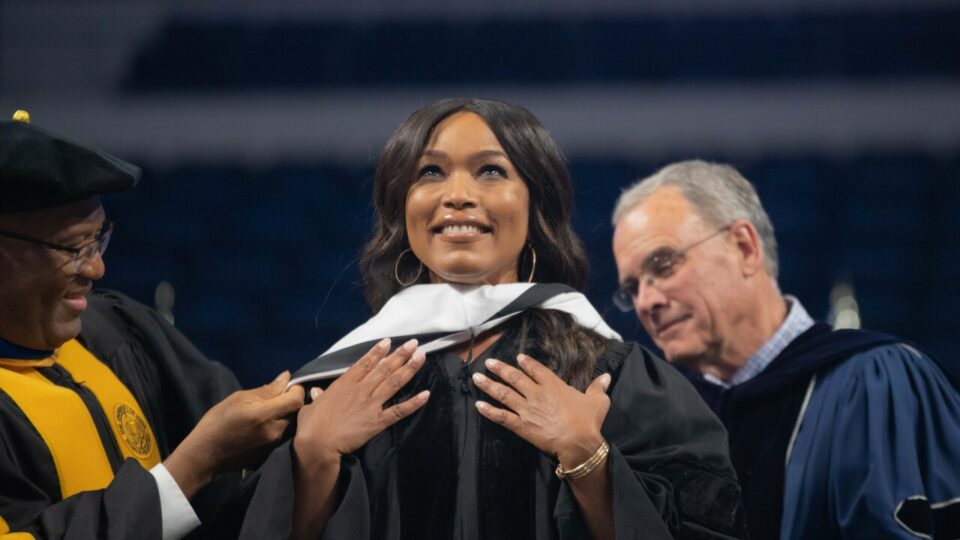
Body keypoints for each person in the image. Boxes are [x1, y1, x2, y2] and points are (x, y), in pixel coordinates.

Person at [238, 99, 746, 540]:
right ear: (402, 207)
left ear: (534, 205)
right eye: (430, 172)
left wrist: (588, 457)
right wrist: (314, 457)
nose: (457, 194)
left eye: (491, 171)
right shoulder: (341, 382)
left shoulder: (612, 375)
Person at [610, 159, 960, 539]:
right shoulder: (671, 421)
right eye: (632, 288)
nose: (646, 302)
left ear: (744, 248)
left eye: (663, 265)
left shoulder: (872, 384)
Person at [0, 111, 305, 539]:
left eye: (98, 239)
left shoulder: (114, 331)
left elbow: (244, 437)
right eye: (73, 248)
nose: (97, 268)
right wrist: (191, 467)